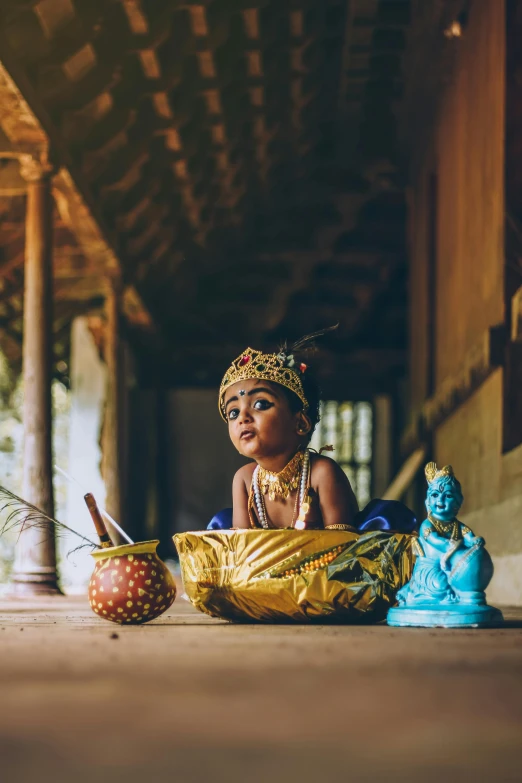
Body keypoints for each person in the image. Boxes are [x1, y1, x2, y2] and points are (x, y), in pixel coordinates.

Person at [209, 335, 416, 533]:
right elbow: (243, 552)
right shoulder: (244, 479)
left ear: (300, 422)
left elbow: (341, 549)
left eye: (260, 404)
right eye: (233, 412)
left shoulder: (321, 473)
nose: (243, 417)